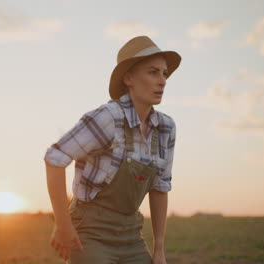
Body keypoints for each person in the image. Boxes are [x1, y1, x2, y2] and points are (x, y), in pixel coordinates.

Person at [44, 35, 181, 264]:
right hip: (90, 232)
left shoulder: (166, 128)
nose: (162, 80)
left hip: (131, 235)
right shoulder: (108, 118)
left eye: (164, 73)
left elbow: (159, 188)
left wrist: (159, 249)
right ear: (129, 78)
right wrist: (62, 224)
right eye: (153, 72)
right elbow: (54, 158)